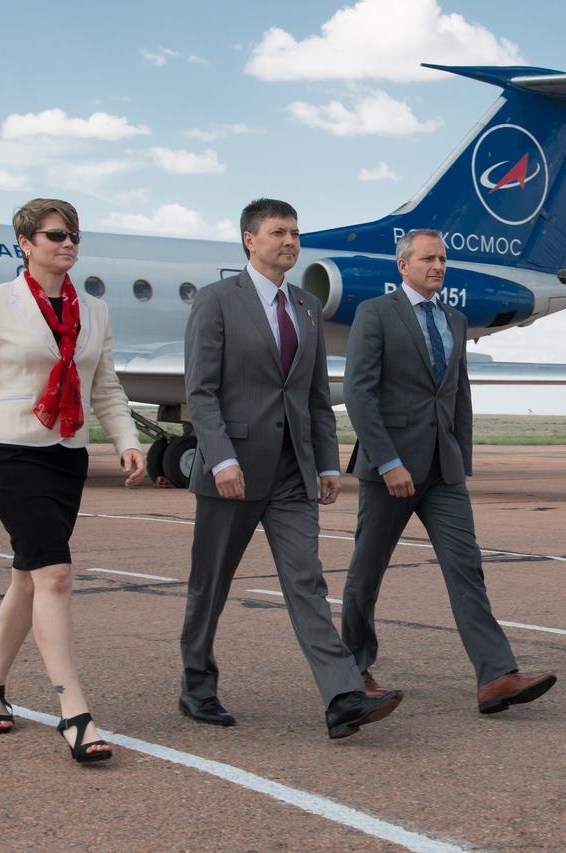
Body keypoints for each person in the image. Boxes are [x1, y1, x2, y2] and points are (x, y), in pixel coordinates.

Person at [0, 198, 146, 763]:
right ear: (25, 242)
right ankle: (75, 713)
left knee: (29, 576)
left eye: (73, 235)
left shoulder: (93, 310)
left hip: (67, 454)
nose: (67, 244)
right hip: (10, 454)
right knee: (56, 574)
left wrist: (128, 442)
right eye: (54, 235)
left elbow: (106, 388)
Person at [178, 198, 402, 740]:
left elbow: (314, 395)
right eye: (279, 232)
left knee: (306, 579)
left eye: (295, 233)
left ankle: (343, 696)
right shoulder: (215, 302)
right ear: (249, 240)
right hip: (231, 473)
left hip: (290, 474)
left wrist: (327, 461)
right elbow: (200, 393)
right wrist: (221, 457)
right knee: (210, 585)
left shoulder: (304, 305)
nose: (290, 242)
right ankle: (197, 687)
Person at [341, 229, 557, 714]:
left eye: (442, 259)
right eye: (428, 259)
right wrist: (388, 460)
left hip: (443, 471)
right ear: (404, 265)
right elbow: (359, 394)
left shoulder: (454, 320)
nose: (438, 266)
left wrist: (460, 459)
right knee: (365, 576)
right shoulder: (375, 315)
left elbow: (458, 393)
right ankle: (352, 669)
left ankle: (496, 677)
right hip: (391, 471)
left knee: (467, 570)